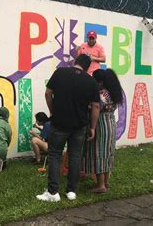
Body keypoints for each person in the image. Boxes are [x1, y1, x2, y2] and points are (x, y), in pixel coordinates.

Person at [36, 54, 101, 202]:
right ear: (87, 67)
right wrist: (93, 127)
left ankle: (53, 193)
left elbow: (48, 93)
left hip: (59, 122)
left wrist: (52, 110)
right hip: (80, 125)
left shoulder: (60, 72)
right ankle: (71, 191)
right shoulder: (91, 81)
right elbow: (96, 106)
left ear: (75, 62)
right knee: (75, 156)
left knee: (55, 155)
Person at [83, 68, 124, 193]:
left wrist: (92, 126)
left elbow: (96, 108)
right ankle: (106, 182)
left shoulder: (101, 93)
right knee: (107, 153)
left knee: (98, 152)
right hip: (111, 122)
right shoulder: (113, 92)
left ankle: (100, 186)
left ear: (99, 81)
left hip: (101, 123)